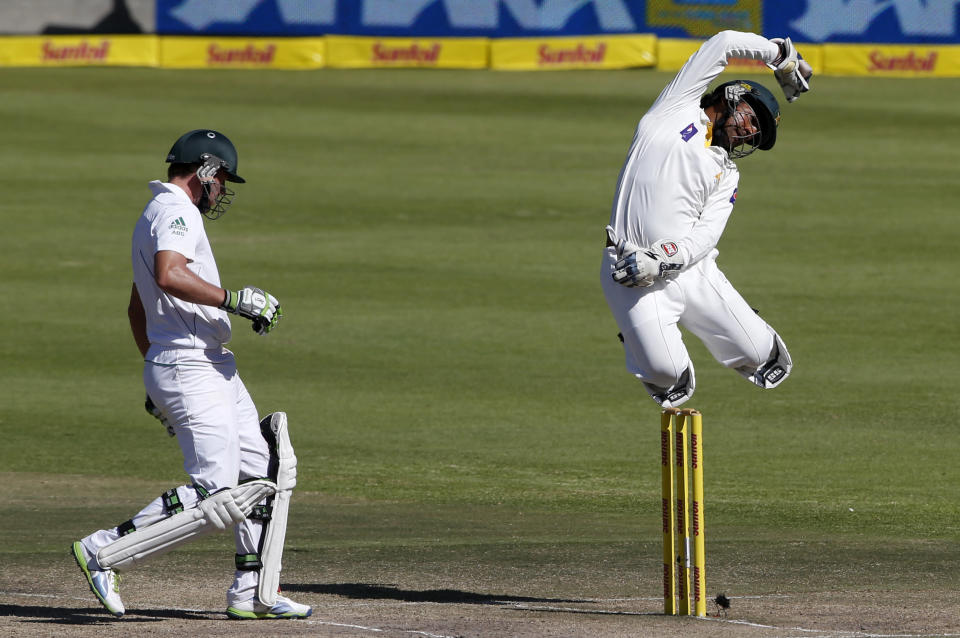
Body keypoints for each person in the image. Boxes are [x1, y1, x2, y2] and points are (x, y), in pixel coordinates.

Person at [71, 129, 312, 620]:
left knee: (266, 469)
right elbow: (167, 275)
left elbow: (137, 307)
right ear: (205, 171)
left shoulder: (153, 214)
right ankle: (103, 550)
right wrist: (236, 300)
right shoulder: (177, 211)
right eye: (221, 178)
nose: (222, 189)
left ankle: (254, 589)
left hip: (199, 364)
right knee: (214, 494)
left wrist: (153, 372)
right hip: (190, 365)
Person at [601, 31, 812, 408]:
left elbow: (705, 237)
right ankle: (641, 340)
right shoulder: (676, 108)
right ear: (731, 97)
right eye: (753, 118)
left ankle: (750, 337)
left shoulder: (728, 174)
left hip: (690, 270)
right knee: (667, 375)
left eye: (756, 131)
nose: (751, 132)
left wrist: (663, 258)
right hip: (630, 269)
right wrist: (782, 56)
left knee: (761, 353)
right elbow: (725, 42)